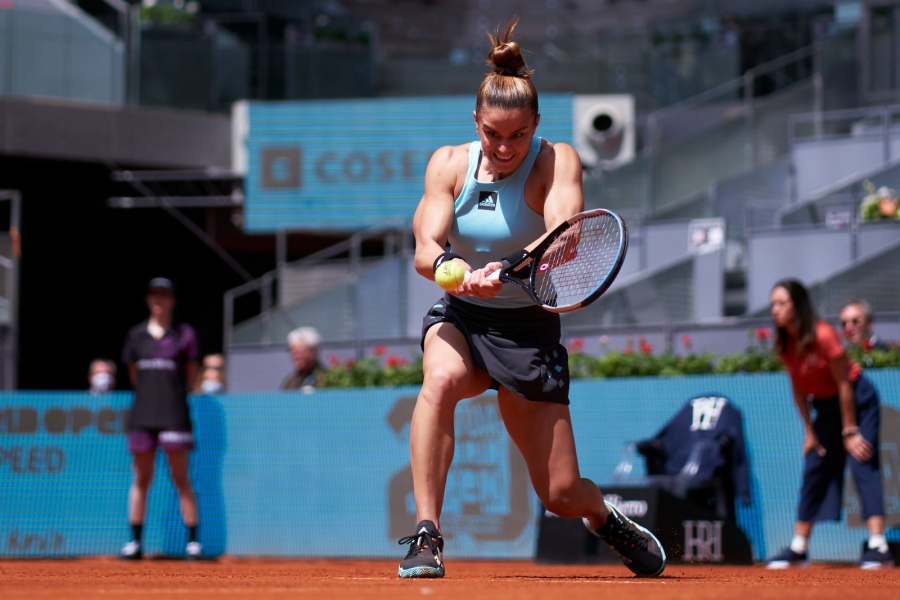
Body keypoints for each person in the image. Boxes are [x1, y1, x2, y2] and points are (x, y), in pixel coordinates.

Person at [396, 18, 665, 580]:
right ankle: (426, 534)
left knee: (560, 494)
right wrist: (458, 273)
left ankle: (604, 516)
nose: (504, 146)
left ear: (536, 125)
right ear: (476, 122)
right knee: (440, 381)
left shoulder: (557, 159)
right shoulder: (448, 163)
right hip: (464, 317)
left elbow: (565, 234)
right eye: (493, 133)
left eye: (518, 135)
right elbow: (425, 248)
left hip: (527, 330)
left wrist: (511, 266)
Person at [765, 280, 893, 570]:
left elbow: (844, 384)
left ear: (797, 306)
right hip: (825, 407)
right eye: (773, 304)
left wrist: (850, 431)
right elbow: (798, 389)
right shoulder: (785, 343)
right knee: (815, 464)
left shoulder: (823, 335)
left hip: (857, 399)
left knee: (862, 459)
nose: (775, 310)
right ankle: (799, 547)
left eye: (781, 303)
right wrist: (810, 433)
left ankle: (878, 544)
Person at [120, 277, 202, 560]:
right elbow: (134, 375)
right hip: (143, 415)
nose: (158, 300)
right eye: (154, 295)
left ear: (172, 301)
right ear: (147, 300)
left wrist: (175, 397)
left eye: (164, 296)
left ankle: (193, 543)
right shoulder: (136, 335)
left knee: (181, 478)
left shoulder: (185, 334)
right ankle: (135, 543)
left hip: (174, 415)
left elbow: (190, 376)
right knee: (141, 479)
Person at [280, 327, 325, 392]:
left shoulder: (327, 380)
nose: (295, 354)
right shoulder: (290, 382)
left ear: (313, 351)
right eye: (292, 350)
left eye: (299, 349)